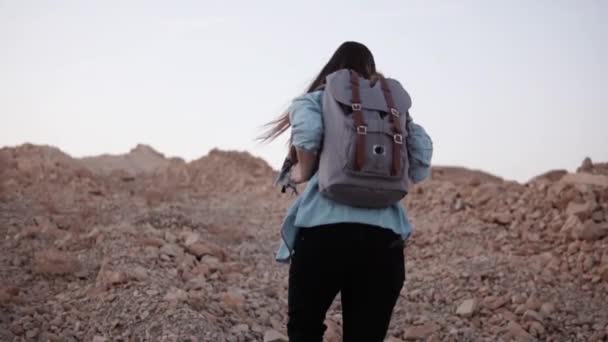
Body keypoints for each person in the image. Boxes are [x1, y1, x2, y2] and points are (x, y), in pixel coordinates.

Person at [259, 41, 433, 342]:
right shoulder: (394, 109)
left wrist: (302, 171)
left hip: (322, 234)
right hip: (384, 239)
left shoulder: (316, 98)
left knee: (305, 329)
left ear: (332, 67)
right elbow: (419, 163)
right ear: (371, 70)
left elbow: (307, 136)